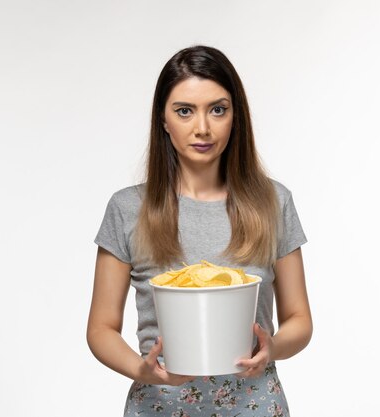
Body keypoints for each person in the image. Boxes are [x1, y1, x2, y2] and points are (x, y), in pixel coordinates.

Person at [87, 45, 313, 417]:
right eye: (184, 111)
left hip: (254, 405)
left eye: (218, 109)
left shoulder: (273, 202)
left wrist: (272, 347)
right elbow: (101, 328)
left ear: (235, 117)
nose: (202, 128)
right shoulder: (128, 209)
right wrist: (141, 370)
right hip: (159, 404)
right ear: (163, 119)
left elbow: (300, 320)